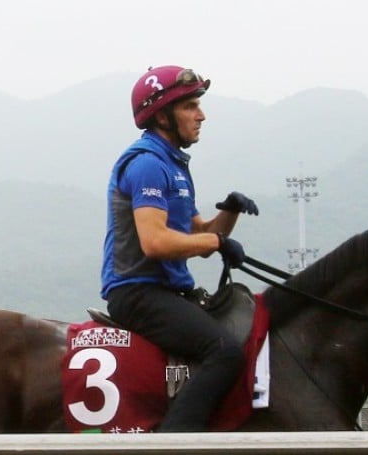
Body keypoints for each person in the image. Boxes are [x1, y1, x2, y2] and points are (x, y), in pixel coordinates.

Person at [100, 65, 259, 432]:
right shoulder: (147, 165)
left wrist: (228, 214)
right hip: (137, 292)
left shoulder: (172, 165)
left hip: (167, 291)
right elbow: (156, 242)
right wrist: (217, 241)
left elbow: (197, 233)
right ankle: (174, 443)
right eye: (189, 106)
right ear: (162, 115)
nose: (201, 115)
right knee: (223, 351)